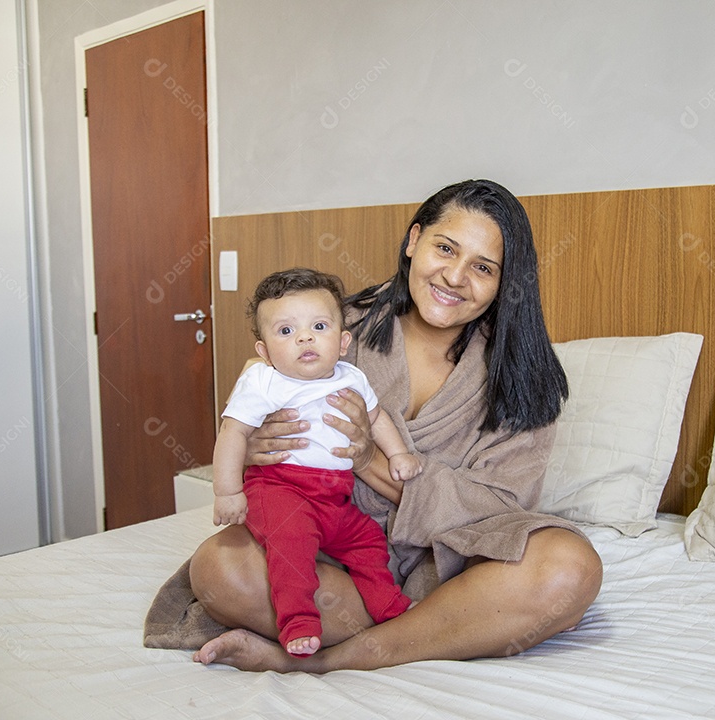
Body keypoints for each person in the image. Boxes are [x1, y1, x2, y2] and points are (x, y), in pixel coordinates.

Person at [182, 179, 603, 672]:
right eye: (445, 248)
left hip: (452, 568)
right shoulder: (333, 329)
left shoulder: (523, 373)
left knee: (568, 569)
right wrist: (256, 449)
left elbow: (500, 508)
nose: (454, 276)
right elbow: (254, 413)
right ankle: (450, 627)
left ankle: (323, 660)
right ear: (413, 241)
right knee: (219, 568)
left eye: (483, 267)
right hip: (333, 562)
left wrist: (367, 459)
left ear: (504, 283)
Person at [212, 267, 421, 657]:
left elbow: (376, 419)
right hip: (279, 488)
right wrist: (227, 491)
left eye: (319, 326)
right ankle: (299, 622)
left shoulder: (351, 377)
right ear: (264, 351)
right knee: (292, 545)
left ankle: (385, 602)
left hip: (333, 499)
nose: (305, 338)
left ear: (343, 341)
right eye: (286, 332)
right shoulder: (263, 383)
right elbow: (233, 434)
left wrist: (398, 454)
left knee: (368, 541)